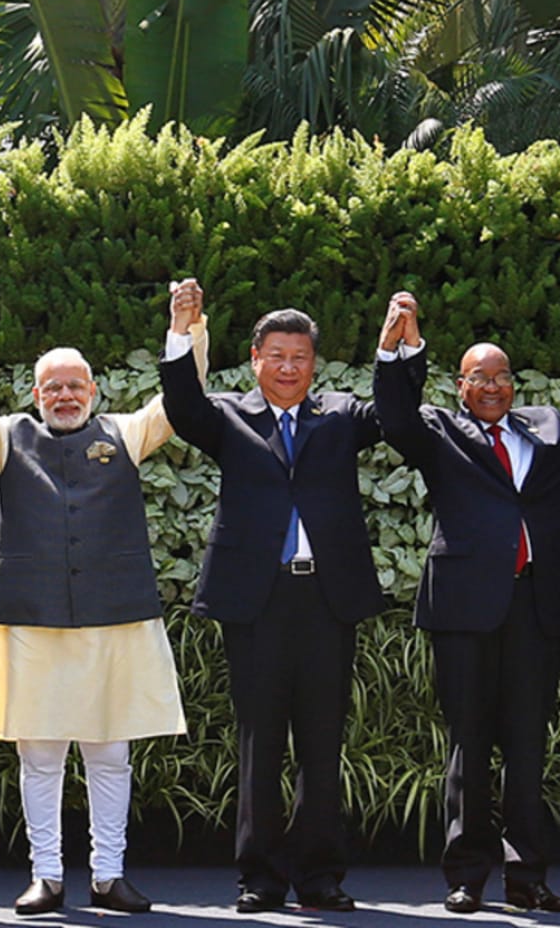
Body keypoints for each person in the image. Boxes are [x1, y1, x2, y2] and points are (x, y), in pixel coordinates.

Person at [371, 294, 560, 915]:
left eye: (503, 376)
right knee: (469, 745)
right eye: (480, 377)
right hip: (464, 609)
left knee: (527, 746)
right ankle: (468, 877)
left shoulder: (550, 428)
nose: (494, 386)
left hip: (536, 606)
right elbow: (393, 416)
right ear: (460, 386)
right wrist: (400, 345)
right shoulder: (437, 429)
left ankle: (527, 876)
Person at [0, 324, 210, 915]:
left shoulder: (127, 433)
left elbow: (182, 401)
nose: (63, 395)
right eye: (51, 387)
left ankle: (109, 876)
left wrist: (188, 332)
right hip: (32, 621)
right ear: (35, 394)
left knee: (109, 756)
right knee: (41, 757)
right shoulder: (5, 436)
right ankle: (47, 876)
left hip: (114, 620)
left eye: (74, 385)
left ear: (94, 390)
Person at [159, 279, 401, 913]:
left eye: (300, 357)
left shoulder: (342, 416)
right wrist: (182, 329)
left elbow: (397, 416)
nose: (289, 367)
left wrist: (397, 351)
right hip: (256, 602)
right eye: (277, 356)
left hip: (327, 600)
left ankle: (321, 876)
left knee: (322, 744)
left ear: (313, 363)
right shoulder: (229, 416)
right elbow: (182, 407)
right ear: (255, 358)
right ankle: (260, 877)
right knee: (260, 743)